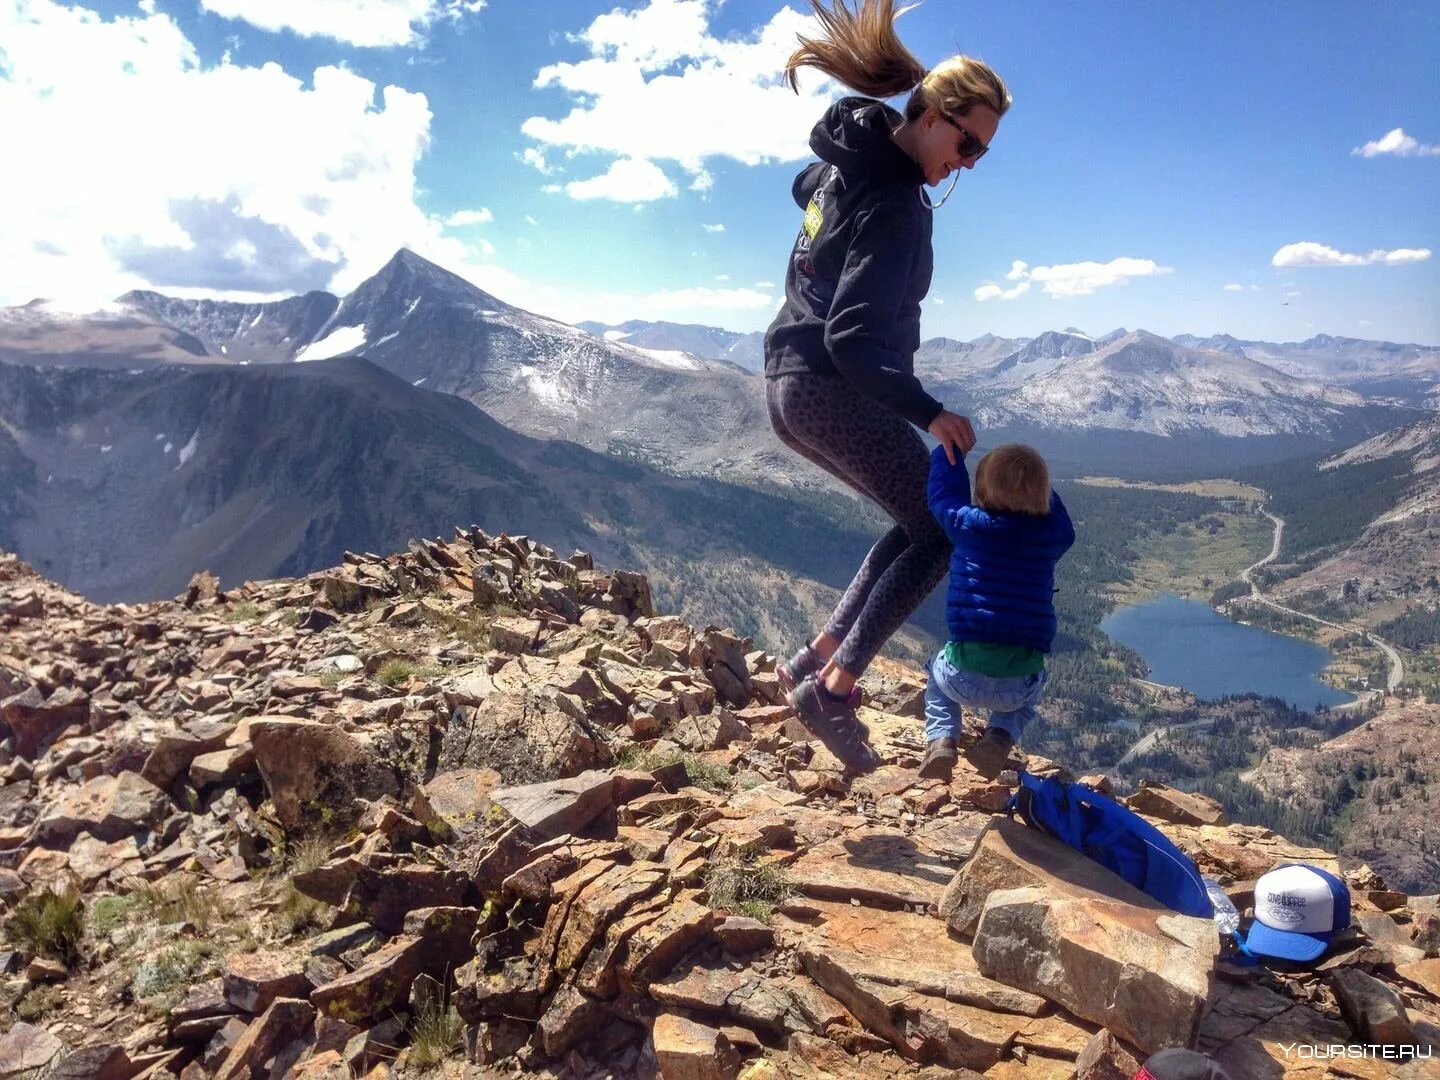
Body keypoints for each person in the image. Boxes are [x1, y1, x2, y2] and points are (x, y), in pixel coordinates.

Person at [765, 0, 1010, 772]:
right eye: (966, 142)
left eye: (981, 155)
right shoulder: (898, 202)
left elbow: (804, 190)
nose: (967, 163)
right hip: (832, 384)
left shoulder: (847, 163)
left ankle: (816, 659)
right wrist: (932, 413)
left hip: (786, 382)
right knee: (939, 532)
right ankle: (832, 691)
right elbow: (851, 338)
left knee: (914, 522)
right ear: (932, 116)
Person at [921, 443, 1074, 781]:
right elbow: (1064, 526)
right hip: (1019, 683)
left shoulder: (970, 527)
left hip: (962, 675)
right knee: (1025, 700)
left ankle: (942, 739)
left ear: (983, 492)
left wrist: (948, 454)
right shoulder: (1049, 537)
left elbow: (942, 499)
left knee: (935, 677)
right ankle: (999, 737)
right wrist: (1040, 490)